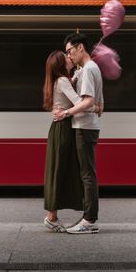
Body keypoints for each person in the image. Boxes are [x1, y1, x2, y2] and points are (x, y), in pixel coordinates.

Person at [43, 50, 98, 233]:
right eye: (66, 57)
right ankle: (52, 218)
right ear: (61, 64)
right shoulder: (63, 81)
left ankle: (52, 216)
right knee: (60, 170)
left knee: (57, 169)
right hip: (65, 128)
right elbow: (77, 102)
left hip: (57, 128)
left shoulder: (56, 81)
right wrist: (96, 106)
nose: (70, 58)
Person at [53, 32, 103, 234]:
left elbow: (89, 101)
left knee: (87, 175)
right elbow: (99, 102)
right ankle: (88, 218)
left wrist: (65, 113)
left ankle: (89, 221)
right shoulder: (89, 69)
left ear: (80, 47)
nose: (69, 55)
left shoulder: (89, 69)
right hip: (86, 125)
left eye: (70, 51)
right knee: (86, 174)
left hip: (84, 126)